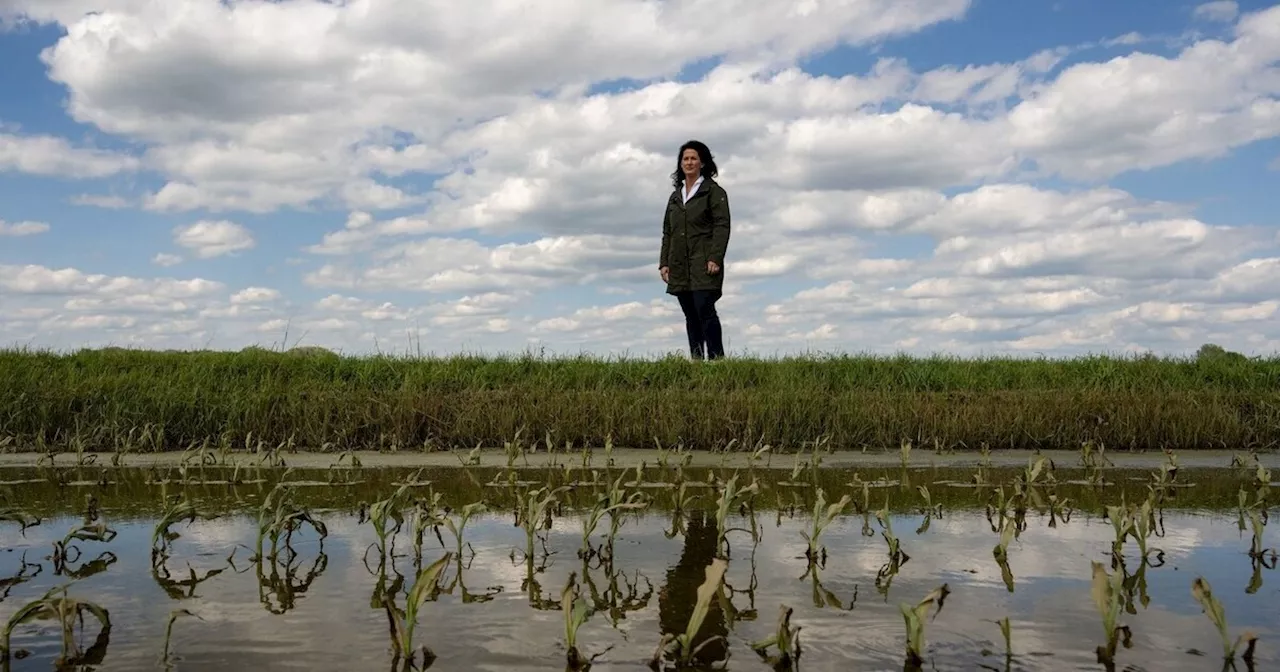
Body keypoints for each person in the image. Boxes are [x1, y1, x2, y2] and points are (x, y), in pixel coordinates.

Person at [658, 140, 730, 360]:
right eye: (685, 159)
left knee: (704, 310)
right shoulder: (675, 196)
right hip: (679, 264)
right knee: (690, 314)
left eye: (693, 158)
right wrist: (664, 262)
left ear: (702, 163)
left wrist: (715, 258)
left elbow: (722, 225)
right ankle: (697, 361)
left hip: (704, 262)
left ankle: (717, 361)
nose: (689, 162)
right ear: (680, 164)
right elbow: (668, 231)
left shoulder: (713, 192)